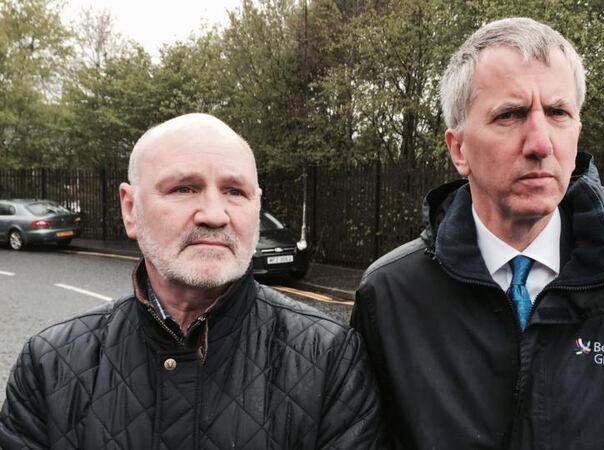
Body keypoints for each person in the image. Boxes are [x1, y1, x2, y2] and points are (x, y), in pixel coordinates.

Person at [351, 18, 604, 449]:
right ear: (458, 149)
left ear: (577, 131)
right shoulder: (390, 296)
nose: (540, 143)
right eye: (511, 114)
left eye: (559, 113)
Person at [0, 113, 384, 449]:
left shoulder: (331, 359)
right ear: (130, 209)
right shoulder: (49, 365)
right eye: (184, 188)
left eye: (235, 192)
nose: (215, 214)